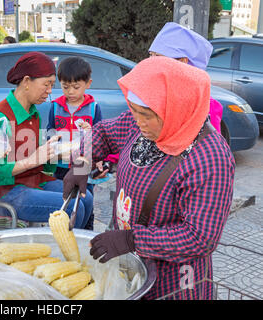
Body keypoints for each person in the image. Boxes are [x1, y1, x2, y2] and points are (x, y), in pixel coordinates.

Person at [63, 56, 235, 300]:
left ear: (175, 109)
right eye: (134, 111)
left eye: (145, 115)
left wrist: (132, 239)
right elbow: (102, 132)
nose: (138, 121)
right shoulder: (140, 123)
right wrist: (82, 162)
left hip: (174, 281)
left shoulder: (209, 159)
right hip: (128, 262)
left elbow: (199, 237)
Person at [94, 22, 224, 180]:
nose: (149, 63)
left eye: (157, 58)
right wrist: (92, 162)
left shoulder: (206, 118)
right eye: (150, 55)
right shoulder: (144, 107)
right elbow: (121, 134)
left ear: (182, 62)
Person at [0, 51, 93, 229]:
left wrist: (54, 152)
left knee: (86, 198)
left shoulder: (33, 112)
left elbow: (41, 163)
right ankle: (65, 253)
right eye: (46, 85)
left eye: (52, 85)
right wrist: (31, 160)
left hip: (32, 180)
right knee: (70, 206)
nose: (49, 92)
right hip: (5, 190)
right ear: (26, 82)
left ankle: (73, 249)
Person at [47, 56, 102, 230]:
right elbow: (50, 130)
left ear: (88, 84)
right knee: (65, 199)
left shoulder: (93, 108)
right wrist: (52, 142)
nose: (70, 91)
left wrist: (90, 131)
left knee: (85, 198)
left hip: (83, 164)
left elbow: (101, 136)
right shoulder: (55, 106)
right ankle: (64, 228)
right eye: (65, 87)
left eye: (76, 87)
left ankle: (86, 231)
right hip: (61, 164)